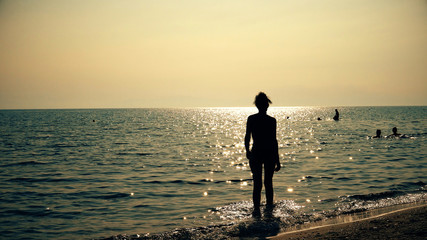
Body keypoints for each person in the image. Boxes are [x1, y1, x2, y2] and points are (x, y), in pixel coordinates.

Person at [245, 92, 281, 209]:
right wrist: (277, 159)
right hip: (268, 153)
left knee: (258, 184)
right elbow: (273, 141)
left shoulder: (252, 119)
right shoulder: (271, 121)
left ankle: (257, 211)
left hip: (256, 153)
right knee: (267, 183)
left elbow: (247, 137)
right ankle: (268, 209)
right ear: (266, 105)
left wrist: (247, 151)